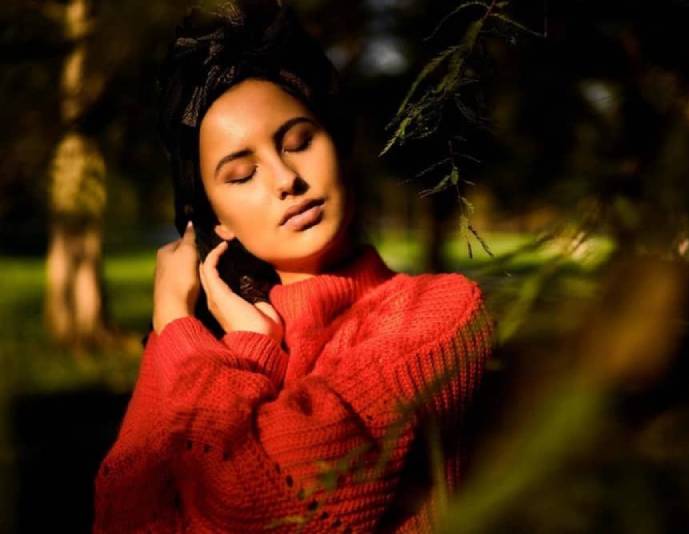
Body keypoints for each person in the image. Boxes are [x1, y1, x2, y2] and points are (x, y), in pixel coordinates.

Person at [93, 2, 496, 532]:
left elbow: (270, 506)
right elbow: (122, 515)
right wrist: (247, 348)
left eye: (300, 141)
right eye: (242, 174)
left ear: (338, 148)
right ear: (218, 220)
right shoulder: (210, 351)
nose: (285, 177)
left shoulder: (439, 314)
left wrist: (173, 323)